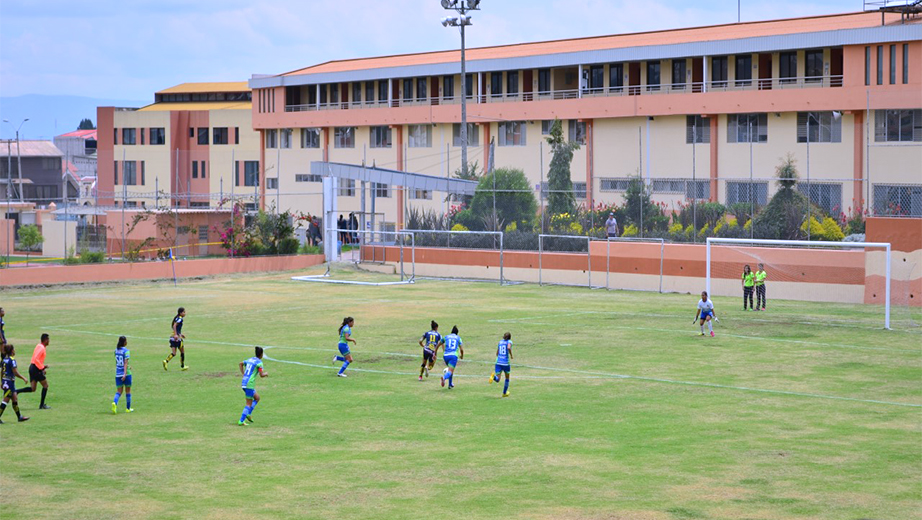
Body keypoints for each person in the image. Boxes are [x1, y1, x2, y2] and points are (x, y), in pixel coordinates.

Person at [16, 333, 51, 409]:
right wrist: (42, 368)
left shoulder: (39, 346)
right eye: (48, 339)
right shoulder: (41, 348)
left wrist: (43, 367)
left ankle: (17, 391)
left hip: (32, 368)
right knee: (45, 386)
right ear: (45, 340)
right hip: (36, 369)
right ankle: (42, 405)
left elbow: (37, 359)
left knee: (33, 388)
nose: (49, 341)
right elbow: (36, 359)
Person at [238, 346, 268, 426]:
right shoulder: (259, 363)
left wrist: (244, 374)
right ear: (261, 354)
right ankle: (241, 421)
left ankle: (248, 414)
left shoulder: (250, 359)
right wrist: (266, 374)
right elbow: (261, 375)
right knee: (248, 404)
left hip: (244, 382)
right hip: (249, 384)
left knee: (257, 398)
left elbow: (240, 364)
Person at [0, 344, 30, 423]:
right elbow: (15, 372)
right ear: (12, 351)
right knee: (5, 401)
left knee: (14, 398)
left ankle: (19, 417)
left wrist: (1, 381)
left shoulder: (4, 360)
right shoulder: (12, 360)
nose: (14, 350)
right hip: (9, 383)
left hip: (6, 381)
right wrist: (24, 378)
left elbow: (2, 371)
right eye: (14, 349)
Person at [112, 336, 133, 414]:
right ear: (124, 342)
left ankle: (114, 402)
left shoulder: (116, 350)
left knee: (119, 391)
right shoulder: (126, 351)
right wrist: (125, 374)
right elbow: (125, 362)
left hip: (118, 374)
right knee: (128, 391)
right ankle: (128, 408)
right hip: (126, 374)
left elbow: (119, 363)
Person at [163, 307, 188, 371]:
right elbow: (174, 326)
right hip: (176, 338)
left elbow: (176, 327)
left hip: (172, 338)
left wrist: (180, 334)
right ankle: (182, 366)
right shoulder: (180, 318)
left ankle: (166, 361)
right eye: (184, 312)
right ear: (180, 313)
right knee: (182, 352)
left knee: (174, 353)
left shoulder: (177, 318)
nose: (185, 313)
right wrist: (176, 335)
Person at [489, 333, 513, 398]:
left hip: (498, 362)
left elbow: (497, 353)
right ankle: (504, 393)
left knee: (498, 379)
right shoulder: (509, 342)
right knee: (507, 378)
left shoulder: (500, 342)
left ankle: (493, 377)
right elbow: (508, 347)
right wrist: (511, 355)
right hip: (505, 363)